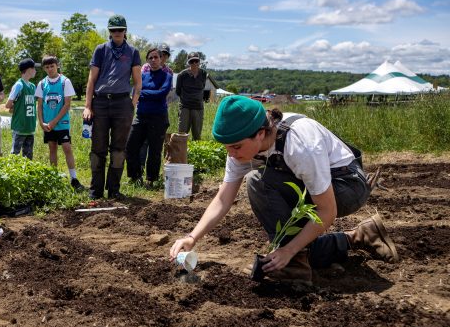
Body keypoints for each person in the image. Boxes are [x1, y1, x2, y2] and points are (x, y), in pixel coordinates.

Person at [168, 96, 398, 285]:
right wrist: (191, 238)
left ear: (260, 133)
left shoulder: (300, 145)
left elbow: (326, 211)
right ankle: (358, 236)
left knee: (259, 182)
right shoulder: (242, 148)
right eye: (227, 147)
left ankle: (295, 261)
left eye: (236, 147)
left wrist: (288, 251)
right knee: (262, 187)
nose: (231, 154)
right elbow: (223, 199)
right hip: (305, 186)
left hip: (346, 186)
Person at [82, 15, 142, 199]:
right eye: (113, 30)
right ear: (109, 31)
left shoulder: (133, 52)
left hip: (122, 103)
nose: (117, 33)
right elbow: (91, 80)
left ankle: (114, 190)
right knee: (97, 148)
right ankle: (96, 190)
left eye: (120, 30)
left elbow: (137, 82)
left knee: (118, 149)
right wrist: (87, 106)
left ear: (125, 31)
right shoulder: (101, 50)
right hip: (100, 102)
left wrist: (131, 104)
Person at [125, 47, 173, 187]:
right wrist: (145, 93)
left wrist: (142, 93)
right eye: (150, 58)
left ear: (161, 59)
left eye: (156, 57)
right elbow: (135, 90)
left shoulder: (167, 76)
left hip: (158, 117)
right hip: (141, 116)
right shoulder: (142, 76)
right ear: (147, 60)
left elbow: (162, 93)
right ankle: (135, 177)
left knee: (154, 150)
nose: (153, 60)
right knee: (131, 146)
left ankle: (151, 179)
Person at [36, 56, 84, 190]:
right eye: (47, 67)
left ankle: (74, 178)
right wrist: (41, 122)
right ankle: (54, 178)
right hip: (47, 124)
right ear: (44, 68)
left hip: (61, 123)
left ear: (57, 65)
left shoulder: (65, 81)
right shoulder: (42, 83)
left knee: (67, 148)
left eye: (52, 66)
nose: (50, 69)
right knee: (52, 148)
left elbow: (67, 104)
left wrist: (54, 121)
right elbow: (39, 105)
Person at [5, 58, 38, 159]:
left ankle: (26, 174)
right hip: (20, 126)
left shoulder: (32, 86)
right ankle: (11, 173)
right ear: (28, 70)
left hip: (30, 126)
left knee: (28, 156)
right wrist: (17, 108)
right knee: (15, 154)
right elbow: (8, 105)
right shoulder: (19, 85)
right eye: (34, 68)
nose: (35, 71)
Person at [176, 51, 208, 140]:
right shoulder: (182, 75)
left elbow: (202, 87)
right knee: (182, 134)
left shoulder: (204, 74)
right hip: (185, 107)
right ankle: (181, 153)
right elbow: (178, 91)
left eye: (196, 61)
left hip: (198, 107)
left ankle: (195, 153)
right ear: (188, 62)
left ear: (199, 62)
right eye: (191, 61)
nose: (194, 63)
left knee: (197, 134)